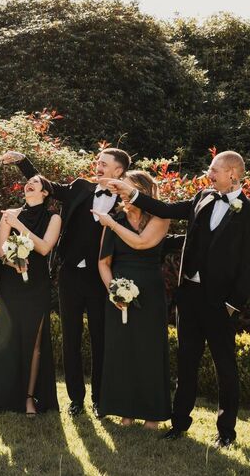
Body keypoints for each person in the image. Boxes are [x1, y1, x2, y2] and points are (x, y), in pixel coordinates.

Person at [107, 151, 250, 448]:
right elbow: (164, 209)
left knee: (225, 367)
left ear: (233, 174)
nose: (208, 173)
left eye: (214, 169)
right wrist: (132, 193)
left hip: (220, 303)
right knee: (186, 363)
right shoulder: (203, 198)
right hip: (189, 297)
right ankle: (179, 424)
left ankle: (226, 432)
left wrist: (234, 303)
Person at [0, 148, 130, 417]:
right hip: (69, 274)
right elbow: (48, 186)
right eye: (98, 162)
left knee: (99, 338)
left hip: (100, 277)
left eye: (104, 164)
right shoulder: (81, 187)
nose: (98, 166)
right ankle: (76, 399)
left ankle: (99, 399)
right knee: (70, 338)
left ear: (118, 171)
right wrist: (23, 161)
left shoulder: (127, 202)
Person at [95, 170, 171, 428]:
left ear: (143, 191)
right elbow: (103, 263)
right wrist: (113, 291)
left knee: (148, 350)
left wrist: (111, 225)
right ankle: (124, 411)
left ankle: (152, 414)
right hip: (118, 291)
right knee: (122, 351)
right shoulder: (116, 217)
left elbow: (140, 243)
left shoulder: (160, 217)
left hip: (149, 291)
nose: (121, 194)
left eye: (125, 188)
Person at [0, 175, 61, 415]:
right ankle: (3, 397)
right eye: (28, 182)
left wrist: (19, 226)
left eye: (36, 182)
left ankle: (29, 398)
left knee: (35, 342)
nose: (29, 184)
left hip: (37, 284)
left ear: (45, 192)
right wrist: (13, 261)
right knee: (7, 339)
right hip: (11, 284)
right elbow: (0, 251)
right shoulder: (10, 213)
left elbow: (44, 247)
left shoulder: (54, 218)